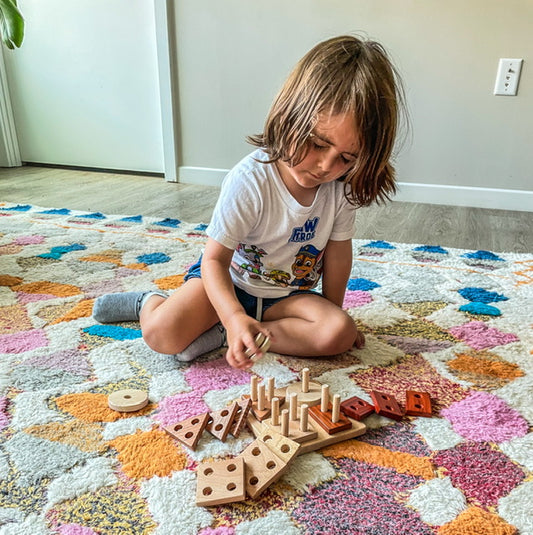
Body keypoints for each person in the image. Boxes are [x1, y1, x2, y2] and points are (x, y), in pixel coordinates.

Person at [93, 34, 407, 370]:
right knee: (161, 335)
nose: (326, 167)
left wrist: (335, 311)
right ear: (290, 115)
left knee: (338, 334)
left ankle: (229, 335)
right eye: (317, 144)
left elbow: (338, 253)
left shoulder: (340, 187)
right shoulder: (250, 181)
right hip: (229, 283)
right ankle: (149, 302)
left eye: (346, 158)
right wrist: (230, 315)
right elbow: (214, 261)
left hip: (288, 297)